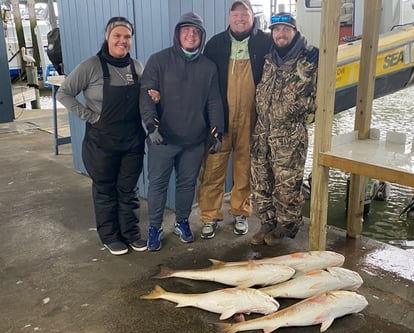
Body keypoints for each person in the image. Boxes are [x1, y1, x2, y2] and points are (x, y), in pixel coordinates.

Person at [57, 17, 147, 255]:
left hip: (132, 141)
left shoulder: (137, 67)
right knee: (105, 189)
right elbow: (64, 93)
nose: (122, 41)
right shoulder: (91, 66)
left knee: (128, 189)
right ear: (107, 37)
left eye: (127, 37)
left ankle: (131, 233)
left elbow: (145, 99)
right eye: (117, 35)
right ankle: (110, 236)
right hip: (102, 142)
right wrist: (90, 116)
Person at [139, 12, 224, 251]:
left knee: (187, 184)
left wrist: (217, 131)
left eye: (196, 32)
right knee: (157, 185)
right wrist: (151, 125)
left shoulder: (208, 68)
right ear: (178, 34)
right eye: (186, 30)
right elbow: (146, 95)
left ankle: (182, 221)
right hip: (162, 139)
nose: (191, 35)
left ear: (201, 36)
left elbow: (214, 101)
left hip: (194, 141)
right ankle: (155, 228)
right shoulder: (158, 60)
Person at [197, 0, 272, 239]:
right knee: (213, 169)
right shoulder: (215, 44)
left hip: (251, 118)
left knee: (244, 168)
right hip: (220, 120)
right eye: (236, 13)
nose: (240, 18)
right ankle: (209, 216)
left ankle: (240, 212)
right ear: (229, 17)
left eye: (245, 13)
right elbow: (204, 83)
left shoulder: (265, 41)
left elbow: (288, 49)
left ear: (252, 16)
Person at [250, 12, 319, 246]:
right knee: (261, 180)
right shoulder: (269, 59)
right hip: (262, 132)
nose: (280, 34)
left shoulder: (308, 60)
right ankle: (267, 222)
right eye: (276, 30)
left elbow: (321, 97)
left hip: (289, 136)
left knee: (287, 184)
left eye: (285, 30)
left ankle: (286, 226)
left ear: (294, 32)